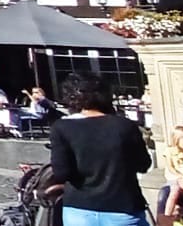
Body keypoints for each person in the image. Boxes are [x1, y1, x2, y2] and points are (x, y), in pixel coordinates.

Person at [45, 74, 151, 226]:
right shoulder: (124, 126)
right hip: (122, 205)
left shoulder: (61, 128)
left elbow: (62, 172)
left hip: (79, 208)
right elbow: (143, 164)